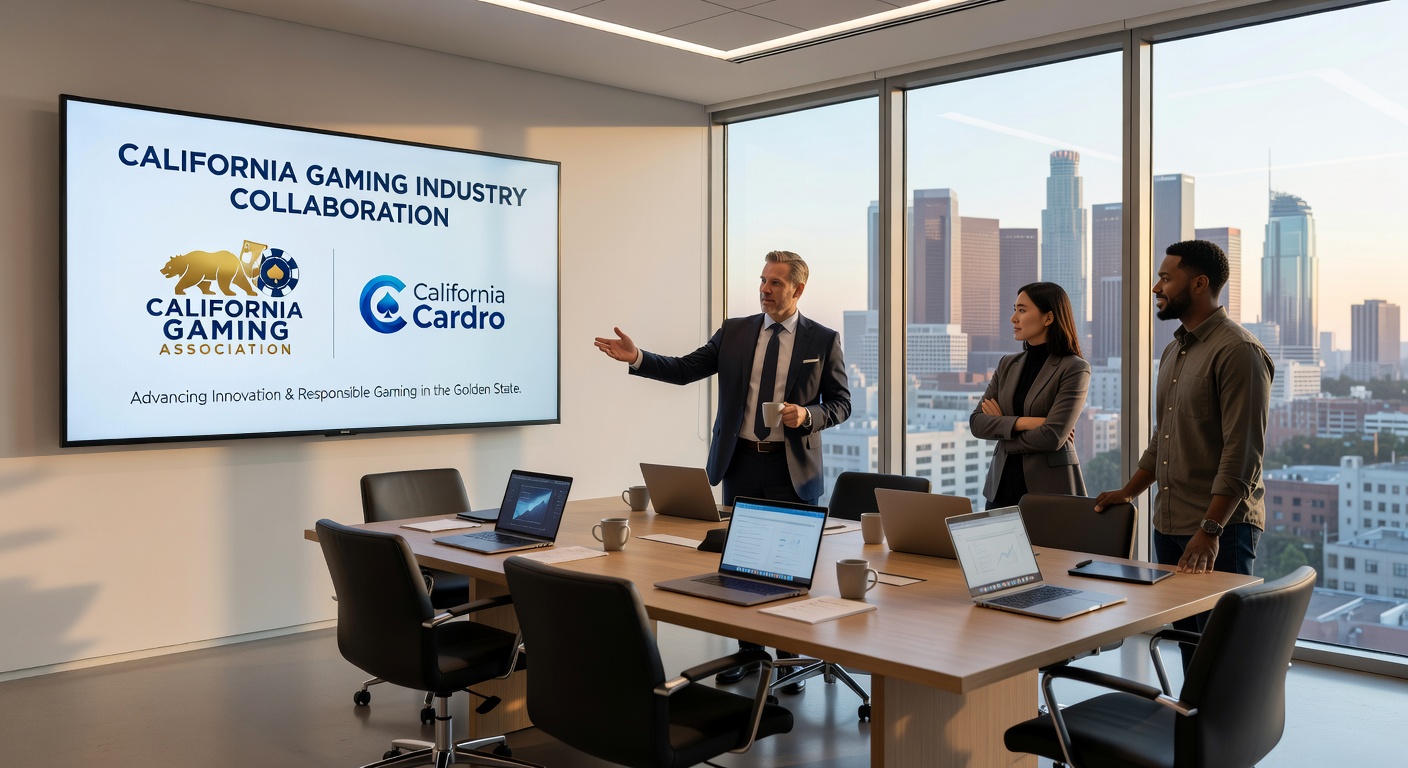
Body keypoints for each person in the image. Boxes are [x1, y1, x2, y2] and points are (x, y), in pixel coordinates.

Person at [595, 249, 850, 691]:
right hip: (741, 461)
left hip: (792, 468)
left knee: (787, 567)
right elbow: (684, 369)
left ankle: (789, 660)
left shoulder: (822, 340)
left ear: (798, 289)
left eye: (775, 283)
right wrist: (638, 358)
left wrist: (807, 416)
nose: (765, 289)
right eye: (763, 280)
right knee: (741, 565)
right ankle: (750, 654)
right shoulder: (734, 332)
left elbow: (842, 403)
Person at [1094, 239, 1273, 667]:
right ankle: (1191, 727)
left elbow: (1243, 453)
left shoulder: (1239, 352)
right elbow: (1165, 438)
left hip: (1220, 531)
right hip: (1170, 524)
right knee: (1189, 647)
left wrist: (1210, 529)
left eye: (1165, 278)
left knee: (1220, 653)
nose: (1157, 287)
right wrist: (1129, 491)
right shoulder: (1174, 351)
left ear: (1198, 284)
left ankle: (1222, 732)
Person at [970, 282, 1090, 509]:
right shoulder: (1007, 364)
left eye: (1022, 310)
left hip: (1050, 492)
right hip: (1000, 489)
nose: (1013, 318)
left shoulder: (1074, 368)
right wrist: (1029, 422)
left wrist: (1004, 431)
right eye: (1014, 309)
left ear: (1048, 318)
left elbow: (1052, 436)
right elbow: (977, 423)